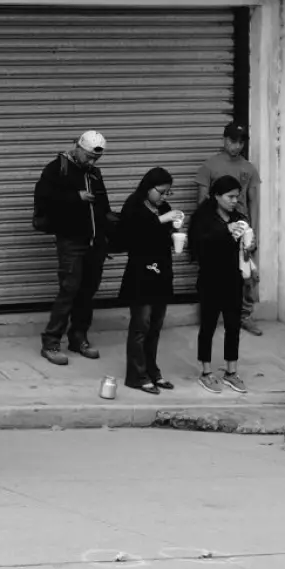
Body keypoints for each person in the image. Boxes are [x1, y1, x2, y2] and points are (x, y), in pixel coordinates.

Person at [34, 131, 117, 366]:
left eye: (96, 159)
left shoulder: (94, 173)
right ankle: (51, 342)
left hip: (94, 243)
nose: (91, 162)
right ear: (78, 148)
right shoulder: (56, 169)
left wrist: (107, 237)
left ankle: (78, 338)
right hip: (71, 241)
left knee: (87, 292)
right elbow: (43, 199)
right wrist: (75, 196)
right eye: (89, 157)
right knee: (68, 291)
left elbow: (103, 207)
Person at [117, 167, 181, 394]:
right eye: (161, 192)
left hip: (161, 271)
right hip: (141, 273)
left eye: (168, 193)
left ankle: (152, 371)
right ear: (148, 187)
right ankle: (136, 374)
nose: (164, 197)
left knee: (155, 325)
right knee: (140, 325)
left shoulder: (164, 207)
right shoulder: (134, 206)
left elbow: (163, 235)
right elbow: (131, 235)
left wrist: (176, 234)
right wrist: (161, 219)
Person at [195, 122, 262, 336]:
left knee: (245, 272)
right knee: (214, 269)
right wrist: (208, 229)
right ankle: (208, 313)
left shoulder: (249, 168)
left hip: (241, 226)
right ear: (224, 139)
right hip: (217, 226)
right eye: (232, 141)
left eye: (241, 142)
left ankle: (245, 315)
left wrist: (254, 231)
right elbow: (202, 201)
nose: (236, 146)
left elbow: (253, 202)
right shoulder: (209, 166)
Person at [188, 175, 251, 394]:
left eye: (237, 196)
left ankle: (231, 371)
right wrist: (225, 230)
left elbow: (244, 246)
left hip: (233, 279)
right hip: (210, 279)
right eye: (230, 196)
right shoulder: (203, 219)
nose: (234, 201)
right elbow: (198, 246)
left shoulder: (239, 218)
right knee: (208, 325)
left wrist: (248, 245)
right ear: (216, 196)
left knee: (233, 326)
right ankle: (206, 371)